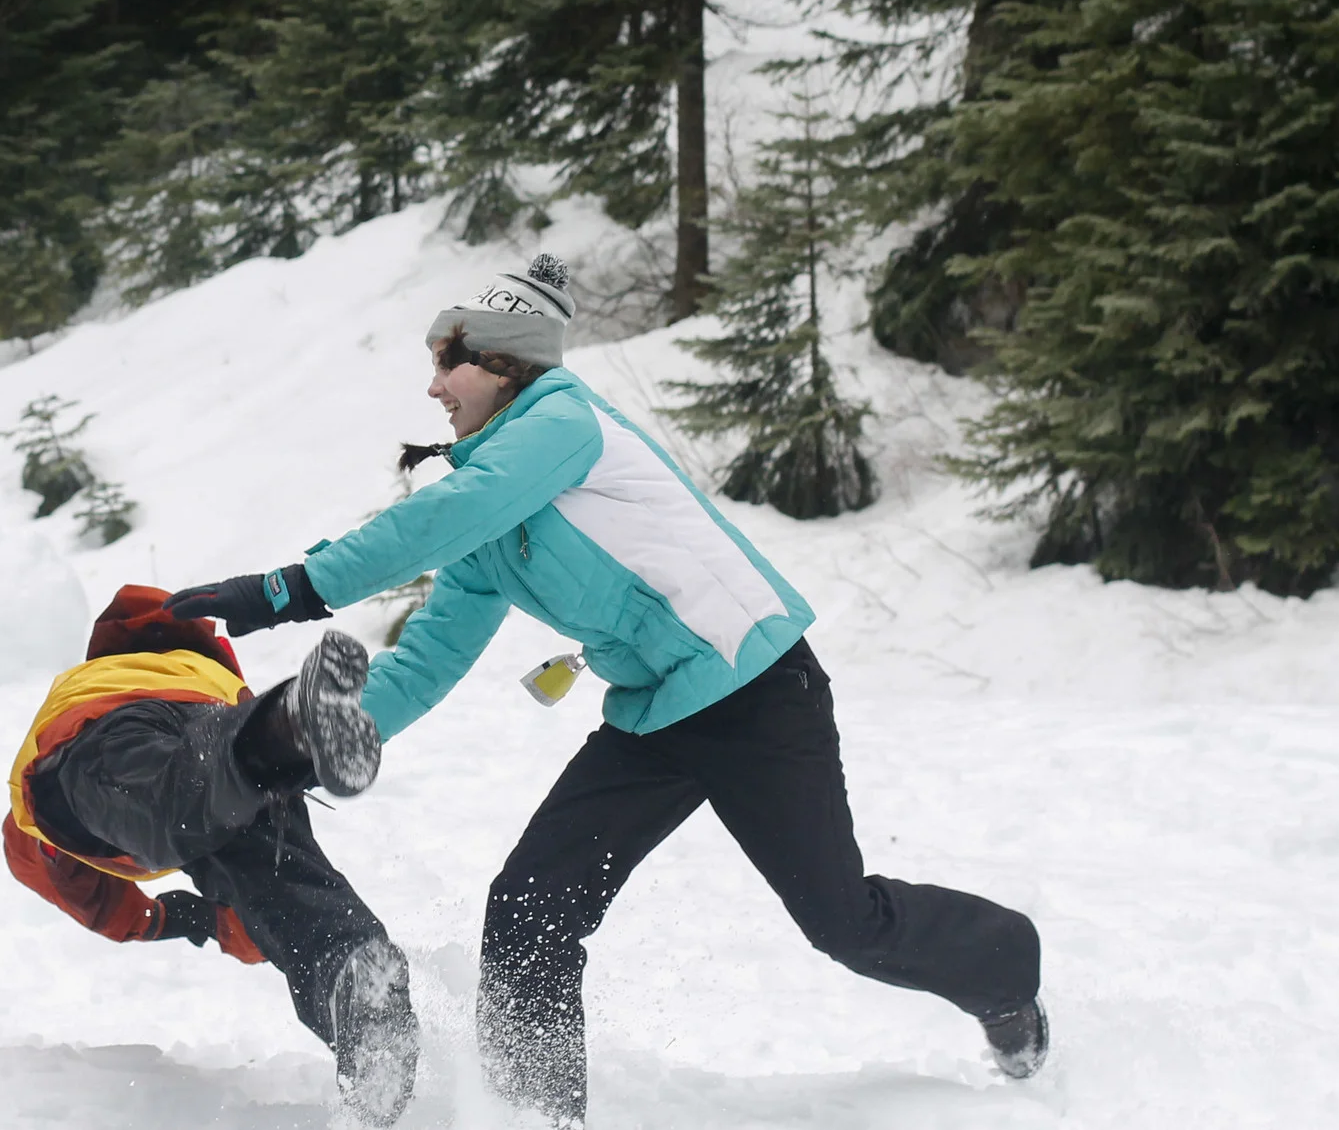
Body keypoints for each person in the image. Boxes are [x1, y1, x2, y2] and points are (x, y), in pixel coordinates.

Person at [170, 254, 1047, 1127]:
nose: (433, 385)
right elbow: (432, 652)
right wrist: (319, 740)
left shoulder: (563, 423)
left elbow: (435, 516)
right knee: (528, 906)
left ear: (507, 365)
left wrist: (284, 589)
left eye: (451, 362)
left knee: (842, 921)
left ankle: (1004, 965)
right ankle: (536, 1113)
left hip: (754, 690)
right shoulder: (490, 505)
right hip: (656, 714)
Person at [4, 584, 420, 1126]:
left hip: (100, 731)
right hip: (224, 718)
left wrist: (162, 920)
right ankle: (351, 971)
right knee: (280, 874)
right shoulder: (210, 676)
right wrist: (230, 923)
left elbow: (57, 874)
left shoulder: (94, 680)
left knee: (160, 801)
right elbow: (262, 908)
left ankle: (276, 734)